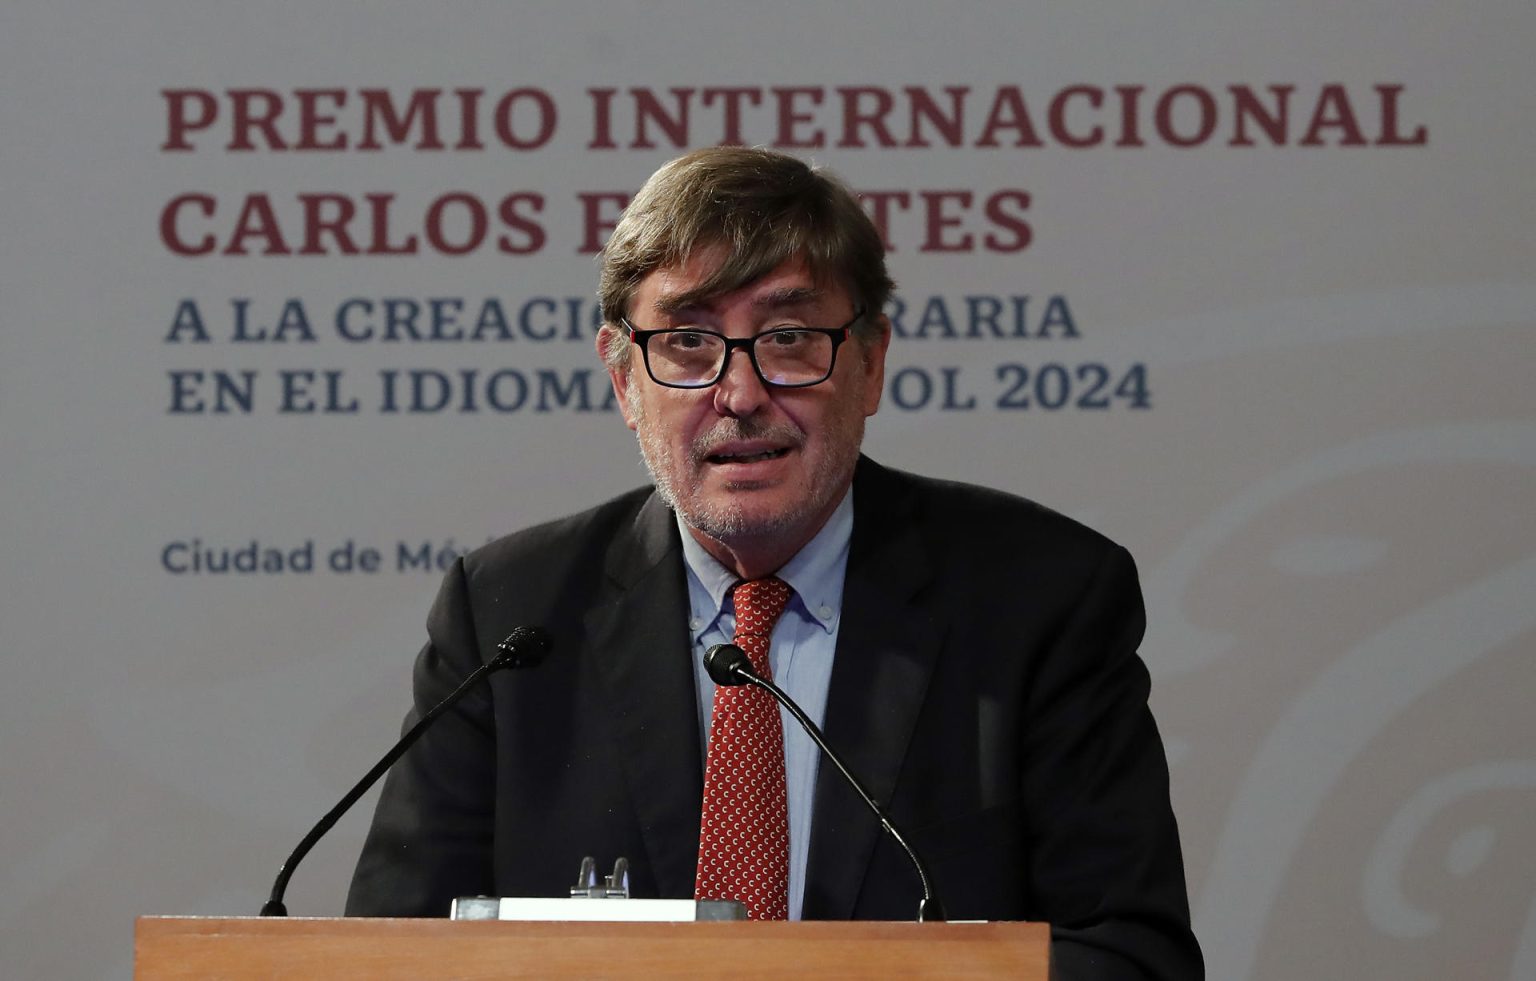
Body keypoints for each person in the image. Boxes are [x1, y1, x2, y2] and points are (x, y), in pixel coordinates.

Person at [347, 147, 1203, 979]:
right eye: (687, 342)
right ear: (622, 380)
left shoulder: (1039, 598)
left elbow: (1129, 954)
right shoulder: (510, 614)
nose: (741, 392)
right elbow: (386, 957)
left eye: (789, 336)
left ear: (869, 363)